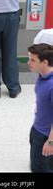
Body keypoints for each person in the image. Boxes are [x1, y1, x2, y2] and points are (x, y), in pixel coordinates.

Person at [26, 44, 53, 173]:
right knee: (36, 166)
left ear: (45, 62)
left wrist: (51, 142)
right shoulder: (41, 77)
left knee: (44, 168)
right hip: (37, 130)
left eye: (33, 60)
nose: (28, 62)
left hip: (47, 136)